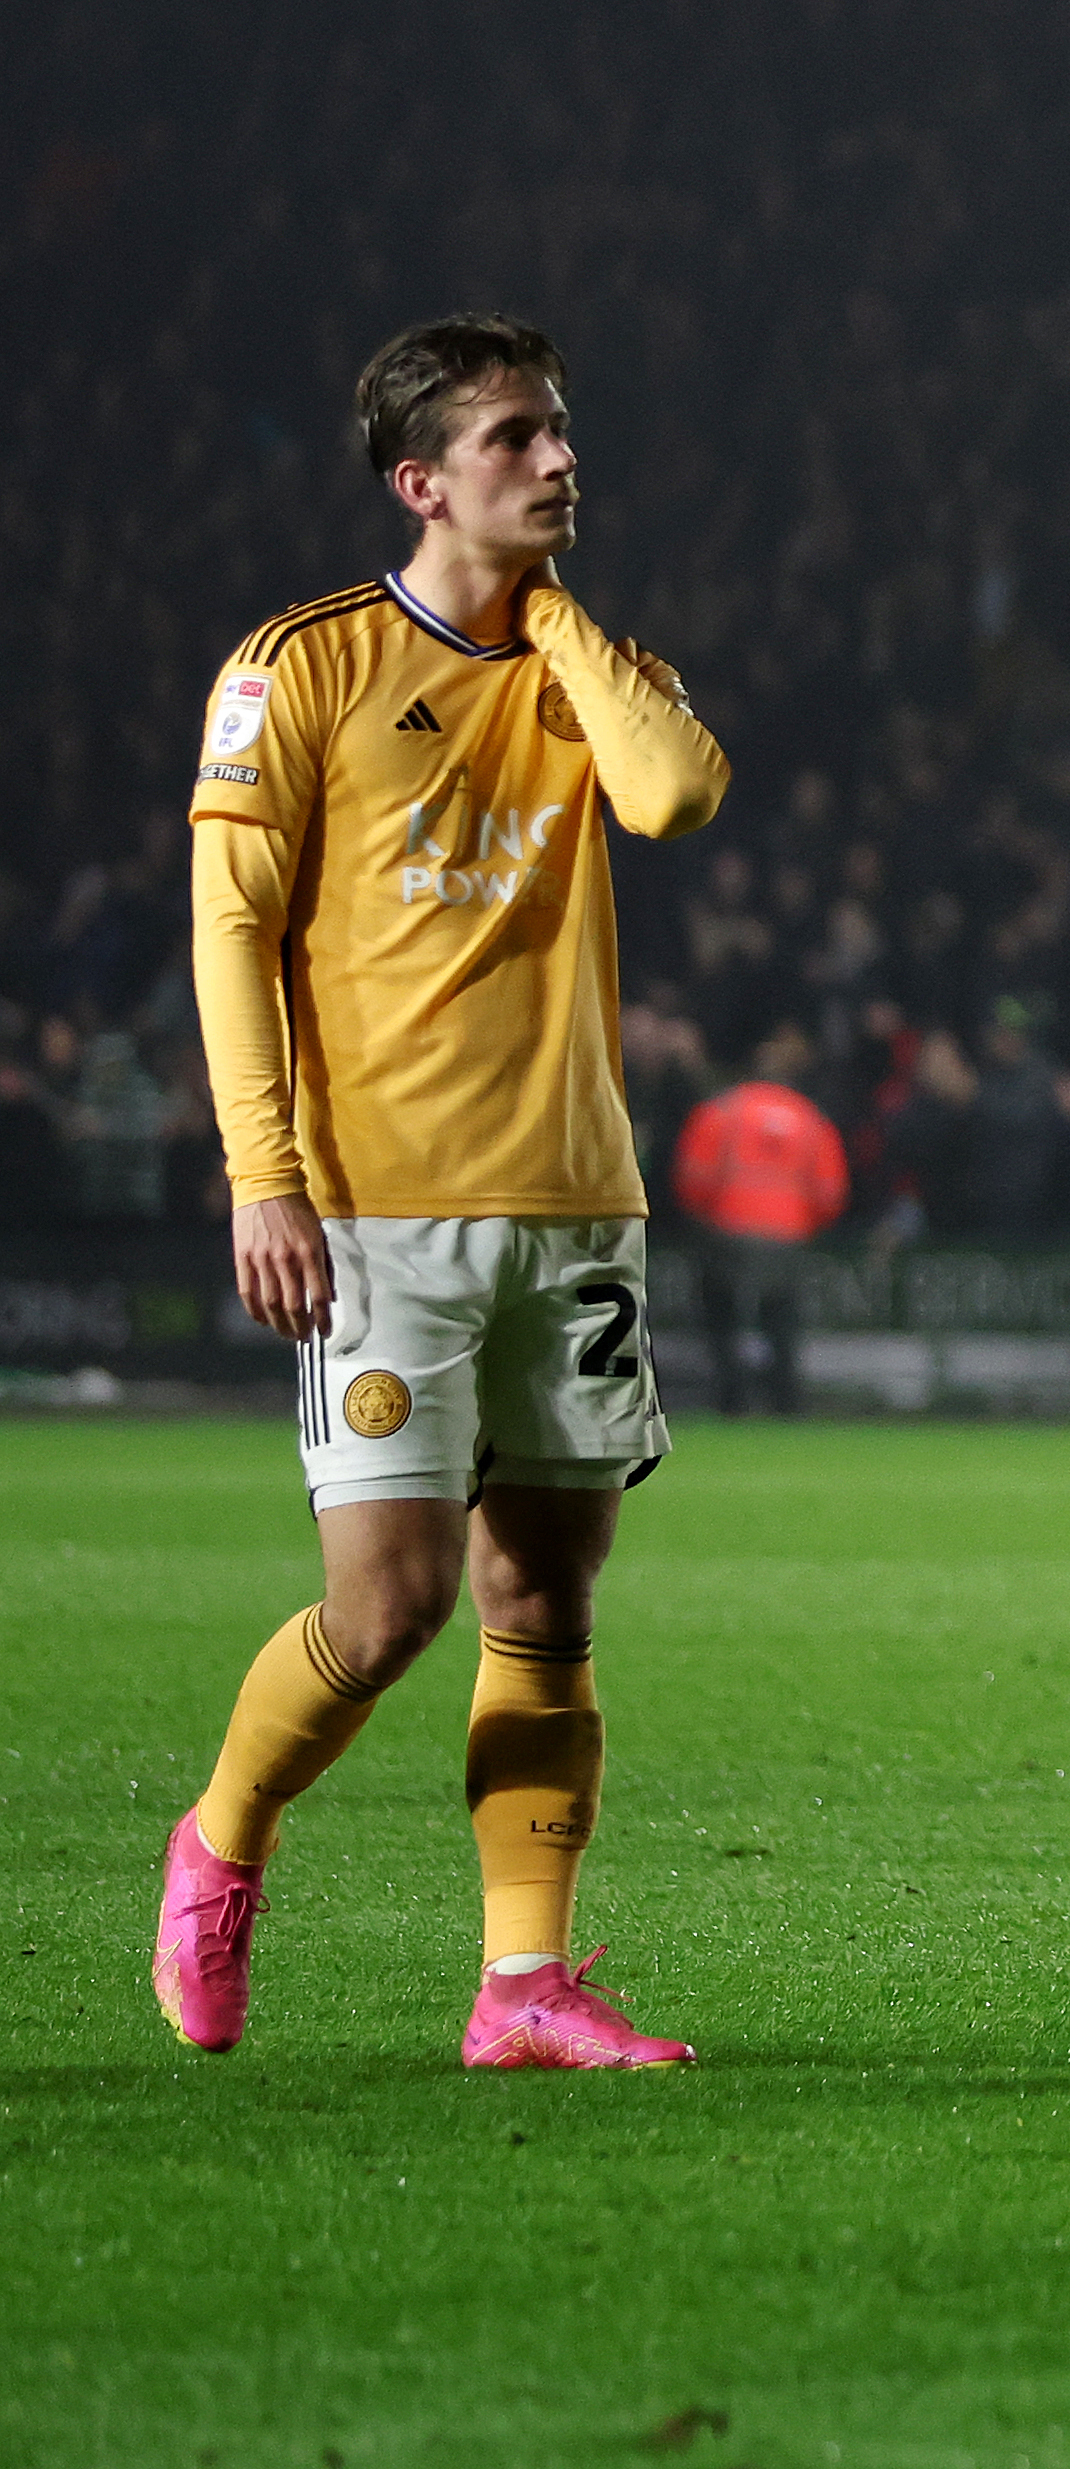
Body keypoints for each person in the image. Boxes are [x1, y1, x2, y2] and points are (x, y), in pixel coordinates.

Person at [159, 315, 732, 2072]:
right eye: (512, 441)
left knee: (543, 1606)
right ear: (421, 482)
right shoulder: (302, 666)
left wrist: (553, 623)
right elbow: (233, 930)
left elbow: (677, 794)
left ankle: (523, 1986)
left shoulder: (590, 666)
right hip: (377, 1215)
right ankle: (223, 1838)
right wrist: (266, 1178)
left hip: (572, 1204)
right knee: (388, 1606)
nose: (558, 462)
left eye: (559, 433)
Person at [674, 1028, 847, 1413]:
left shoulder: (720, 1111)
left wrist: (710, 1217)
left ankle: (731, 1400)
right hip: (788, 1235)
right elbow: (830, 1193)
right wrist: (804, 1223)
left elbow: (693, 1178)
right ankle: (784, 1402)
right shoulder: (810, 1117)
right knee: (781, 1323)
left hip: (729, 1233)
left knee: (724, 1319)